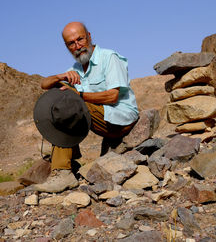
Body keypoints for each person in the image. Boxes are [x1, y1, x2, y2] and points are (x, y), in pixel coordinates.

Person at [32, 22, 139, 193]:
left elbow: (113, 96)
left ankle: (63, 173)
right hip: (100, 118)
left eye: (80, 39)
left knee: (71, 105)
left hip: (120, 118)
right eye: (71, 43)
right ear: (66, 46)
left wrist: (78, 96)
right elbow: (44, 84)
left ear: (89, 36)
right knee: (58, 101)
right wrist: (61, 76)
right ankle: (68, 164)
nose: (77, 46)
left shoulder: (109, 57)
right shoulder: (75, 70)